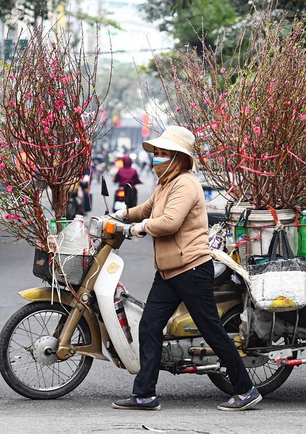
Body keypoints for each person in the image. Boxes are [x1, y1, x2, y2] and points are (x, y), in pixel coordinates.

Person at [112, 125, 261, 412]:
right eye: (156, 153)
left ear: (178, 158)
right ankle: (145, 395)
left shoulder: (185, 184)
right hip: (169, 272)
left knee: (211, 330)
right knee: (150, 326)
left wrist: (136, 229)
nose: (156, 158)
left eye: (163, 154)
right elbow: (146, 209)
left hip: (191, 269)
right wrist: (120, 214)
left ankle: (246, 390)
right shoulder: (165, 184)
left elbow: (168, 222)